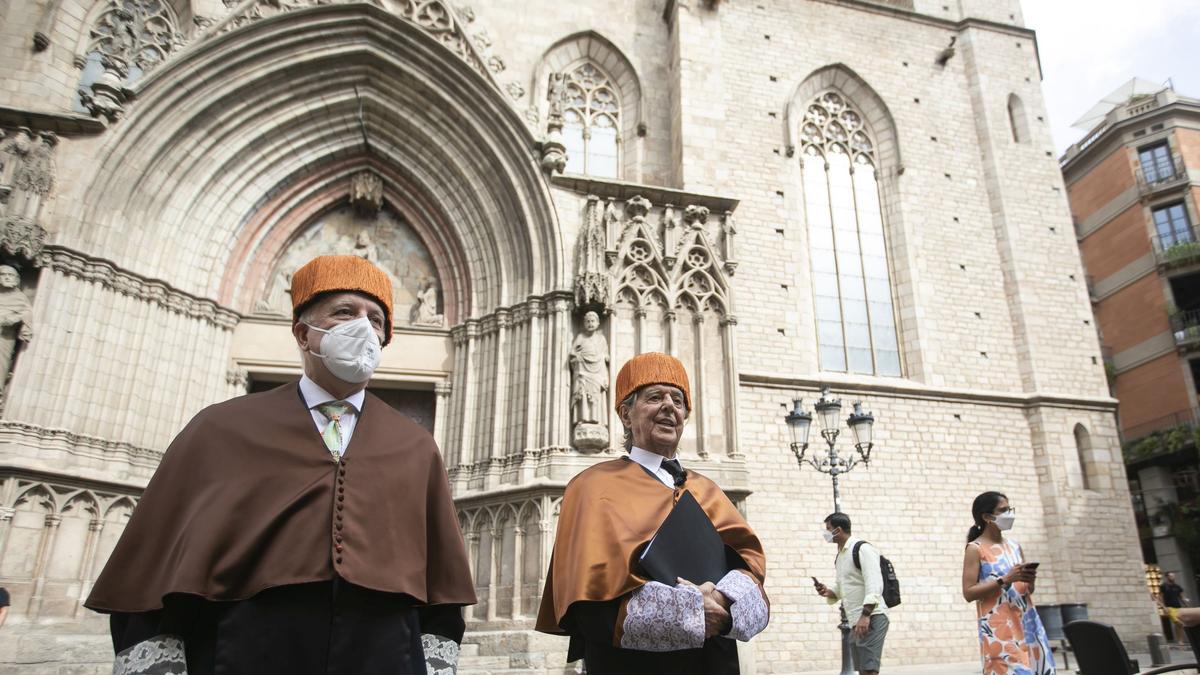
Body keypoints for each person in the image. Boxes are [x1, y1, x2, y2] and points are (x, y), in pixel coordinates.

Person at [85, 255, 475, 675]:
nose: (363, 327)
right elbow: (152, 573)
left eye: (375, 319)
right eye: (345, 312)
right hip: (243, 652)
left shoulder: (415, 445)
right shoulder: (220, 430)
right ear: (304, 334)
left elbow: (441, 597)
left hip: (381, 657)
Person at [536, 352, 770, 674]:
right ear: (625, 414)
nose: (669, 407)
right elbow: (588, 605)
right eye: (655, 397)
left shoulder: (708, 490)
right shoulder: (591, 487)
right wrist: (688, 610)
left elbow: (750, 568)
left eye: (678, 399)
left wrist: (724, 605)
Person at [961, 491, 1054, 675]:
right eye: (1003, 510)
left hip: (1028, 623)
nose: (1009, 514)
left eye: (1010, 509)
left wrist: (1029, 580)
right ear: (987, 517)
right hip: (1000, 628)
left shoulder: (1015, 546)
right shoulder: (975, 549)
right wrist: (1005, 580)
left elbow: (1026, 590)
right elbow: (969, 593)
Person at [813, 512, 889, 675]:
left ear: (838, 530)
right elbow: (842, 588)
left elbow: (874, 584)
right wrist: (828, 591)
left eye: (828, 529)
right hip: (857, 619)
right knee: (862, 670)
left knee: (869, 670)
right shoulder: (841, 556)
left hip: (872, 617)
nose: (825, 533)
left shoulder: (862, 549)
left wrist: (866, 615)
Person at [1161, 571, 1190, 644]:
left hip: (1178, 607)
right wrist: (1163, 607)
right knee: (1179, 623)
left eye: (1173, 576)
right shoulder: (1164, 586)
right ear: (1167, 577)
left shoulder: (1177, 587)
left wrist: (1187, 605)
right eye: (1171, 576)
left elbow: (1182, 597)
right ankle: (1180, 640)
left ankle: (1180, 640)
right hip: (1169, 607)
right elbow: (1160, 597)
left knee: (1178, 625)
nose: (1173, 577)